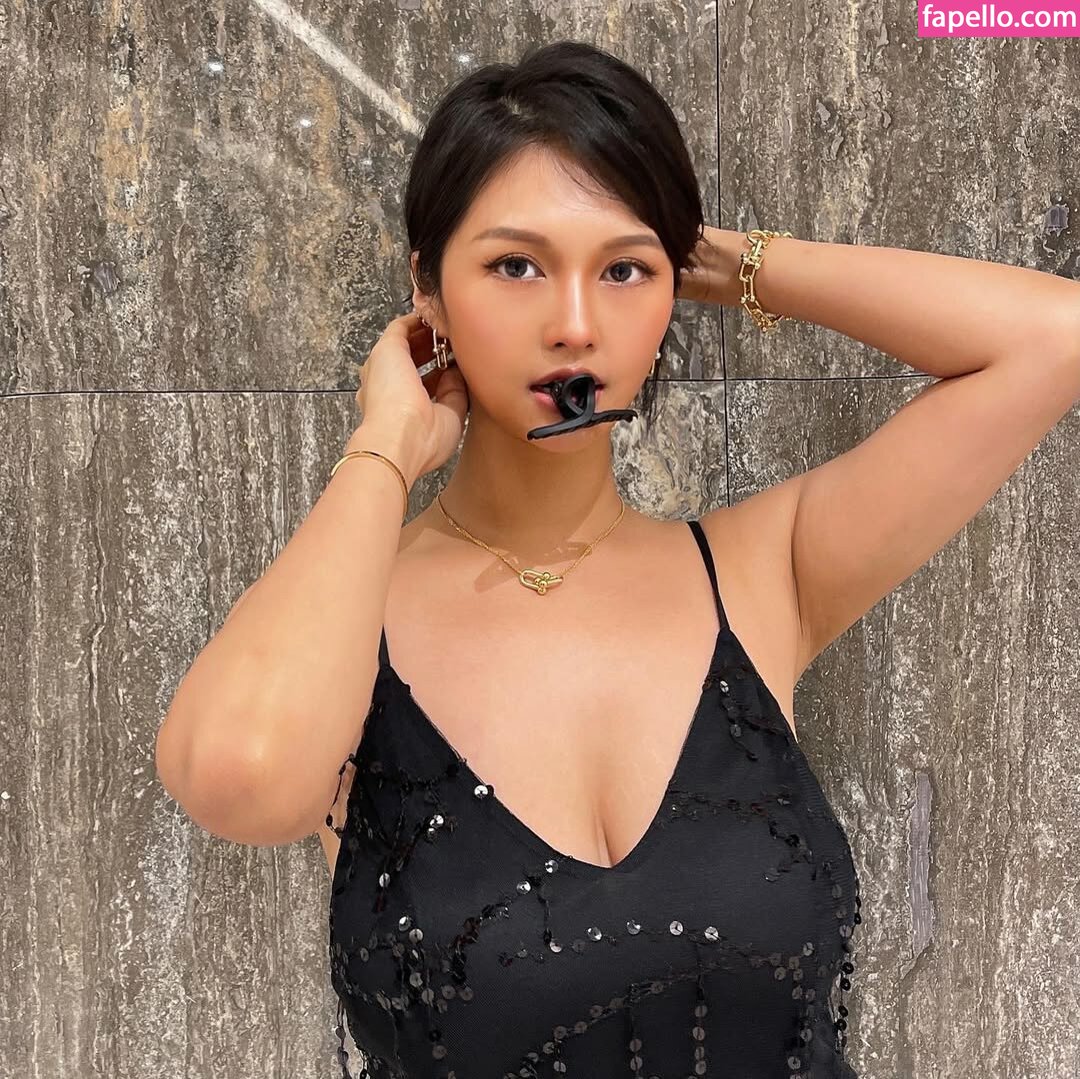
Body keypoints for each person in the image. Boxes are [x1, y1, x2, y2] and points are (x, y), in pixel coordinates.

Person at [156, 36, 1080, 1079]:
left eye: (624, 271)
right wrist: (384, 447)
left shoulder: (764, 572)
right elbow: (241, 778)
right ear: (428, 287)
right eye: (516, 265)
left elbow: (1054, 336)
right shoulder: (345, 620)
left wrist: (715, 261)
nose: (575, 325)